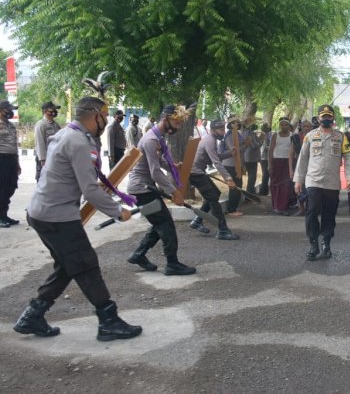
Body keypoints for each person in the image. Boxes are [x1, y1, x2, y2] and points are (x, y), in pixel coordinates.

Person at [13, 96, 141, 341]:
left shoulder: (66, 134)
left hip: (41, 213)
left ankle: (33, 316)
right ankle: (108, 322)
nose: (106, 120)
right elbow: (90, 189)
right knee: (85, 264)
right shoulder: (79, 142)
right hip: (57, 216)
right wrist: (117, 211)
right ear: (96, 116)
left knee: (68, 265)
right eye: (105, 115)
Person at [126, 104, 196, 275]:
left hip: (144, 188)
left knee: (159, 222)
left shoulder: (158, 137)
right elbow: (155, 172)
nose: (178, 127)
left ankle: (138, 255)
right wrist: (174, 192)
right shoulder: (151, 140)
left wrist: (173, 165)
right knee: (166, 224)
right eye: (176, 123)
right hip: (142, 189)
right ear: (166, 120)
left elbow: (157, 162)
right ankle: (172, 264)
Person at [293, 105, 350, 260]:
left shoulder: (341, 137)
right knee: (312, 211)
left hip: (332, 183)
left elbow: (348, 158)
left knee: (329, 214)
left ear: (333, 118)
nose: (326, 119)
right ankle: (313, 244)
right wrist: (298, 180)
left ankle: (326, 243)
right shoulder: (310, 136)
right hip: (313, 180)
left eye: (329, 116)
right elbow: (302, 159)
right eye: (323, 116)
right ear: (318, 118)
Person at [188, 120, 240, 240]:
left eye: (223, 130)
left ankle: (197, 220)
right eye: (221, 130)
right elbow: (216, 162)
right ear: (213, 130)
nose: (223, 132)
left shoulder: (210, 139)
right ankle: (223, 230)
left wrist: (229, 153)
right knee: (213, 200)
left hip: (198, 172)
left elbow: (215, 157)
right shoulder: (210, 140)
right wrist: (228, 178)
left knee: (215, 194)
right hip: (195, 173)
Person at [0, 100, 20, 227]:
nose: (11, 112)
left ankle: (4, 214)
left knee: (10, 187)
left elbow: (14, 145)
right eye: (8, 109)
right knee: (1, 188)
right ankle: (0, 217)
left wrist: (17, 163)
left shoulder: (10, 125)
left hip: (12, 159)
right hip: (1, 159)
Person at [269, 117, 294, 215]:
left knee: (286, 185)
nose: (284, 126)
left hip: (287, 162)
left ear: (289, 126)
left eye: (286, 124)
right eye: (282, 124)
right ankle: (275, 206)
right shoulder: (275, 135)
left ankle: (283, 207)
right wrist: (269, 165)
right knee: (275, 184)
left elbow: (293, 151)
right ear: (280, 125)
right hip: (276, 162)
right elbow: (271, 151)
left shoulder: (292, 136)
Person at [220, 116, 244, 217]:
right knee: (235, 187)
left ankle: (233, 208)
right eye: (236, 123)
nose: (238, 124)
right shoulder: (230, 136)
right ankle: (231, 210)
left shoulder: (237, 134)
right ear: (231, 125)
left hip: (236, 164)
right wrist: (245, 144)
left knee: (237, 186)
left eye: (238, 122)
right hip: (230, 165)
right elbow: (234, 151)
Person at [34, 101, 62, 182]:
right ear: (45, 111)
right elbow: (40, 142)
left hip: (55, 157)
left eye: (55, 110)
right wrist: (43, 160)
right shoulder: (41, 124)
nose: (54, 112)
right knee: (43, 181)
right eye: (52, 110)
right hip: (45, 158)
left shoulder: (55, 124)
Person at [290, 120, 313, 216]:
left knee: (311, 188)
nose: (306, 128)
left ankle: (310, 208)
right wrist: (291, 170)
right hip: (300, 166)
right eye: (304, 126)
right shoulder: (296, 138)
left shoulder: (315, 136)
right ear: (301, 127)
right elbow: (290, 154)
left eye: (308, 126)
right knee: (299, 188)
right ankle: (302, 208)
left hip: (313, 166)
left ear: (311, 128)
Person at [243, 122, 263, 196]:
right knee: (252, 177)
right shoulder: (250, 134)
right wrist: (262, 140)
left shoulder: (246, 133)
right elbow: (254, 146)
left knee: (252, 176)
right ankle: (249, 194)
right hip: (251, 158)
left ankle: (250, 193)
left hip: (248, 157)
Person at [258, 122, 271, 196]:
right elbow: (265, 147)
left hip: (265, 157)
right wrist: (272, 148)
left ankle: (264, 190)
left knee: (266, 174)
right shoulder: (264, 136)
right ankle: (263, 191)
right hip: (264, 157)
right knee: (265, 174)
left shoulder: (267, 135)